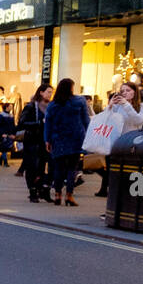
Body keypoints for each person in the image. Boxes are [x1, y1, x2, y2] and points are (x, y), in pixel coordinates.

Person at [95, 81, 143, 197]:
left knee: (131, 173)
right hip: (116, 143)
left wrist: (126, 105)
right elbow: (105, 119)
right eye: (123, 91)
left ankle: (131, 201)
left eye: (128, 91)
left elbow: (138, 120)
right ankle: (113, 204)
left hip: (132, 144)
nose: (125, 93)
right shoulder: (118, 106)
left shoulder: (142, 106)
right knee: (114, 173)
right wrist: (110, 106)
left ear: (135, 92)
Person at [44, 77, 89, 207]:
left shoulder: (53, 104)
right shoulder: (79, 101)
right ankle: (69, 195)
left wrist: (47, 139)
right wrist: (89, 136)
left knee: (58, 168)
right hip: (76, 138)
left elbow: (48, 123)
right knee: (72, 169)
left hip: (58, 139)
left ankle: (58, 194)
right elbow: (86, 120)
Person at [17, 84, 52, 203]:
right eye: (48, 92)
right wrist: (39, 122)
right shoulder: (31, 106)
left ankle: (41, 189)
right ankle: (32, 191)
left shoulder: (51, 107)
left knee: (42, 167)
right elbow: (22, 123)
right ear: (41, 92)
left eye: (51, 92)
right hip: (32, 140)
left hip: (45, 141)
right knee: (32, 167)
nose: (50, 94)